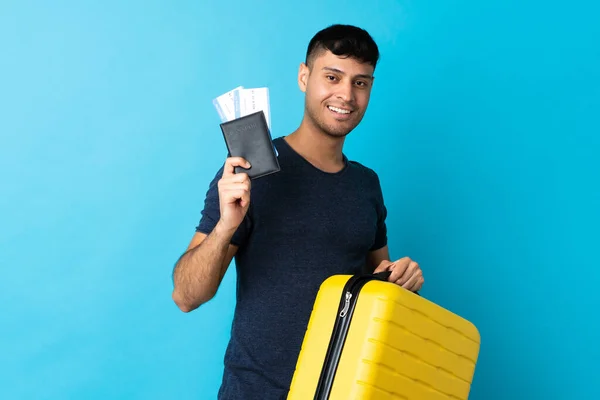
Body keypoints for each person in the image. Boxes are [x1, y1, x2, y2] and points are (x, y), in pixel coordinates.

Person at [171, 24, 425, 399]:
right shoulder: (250, 171)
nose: (346, 94)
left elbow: (378, 288)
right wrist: (226, 226)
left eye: (360, 83)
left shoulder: (366, 185)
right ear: (304, 77)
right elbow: (186, 296)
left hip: (342, 391)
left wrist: (403, 281)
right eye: (332, 76)